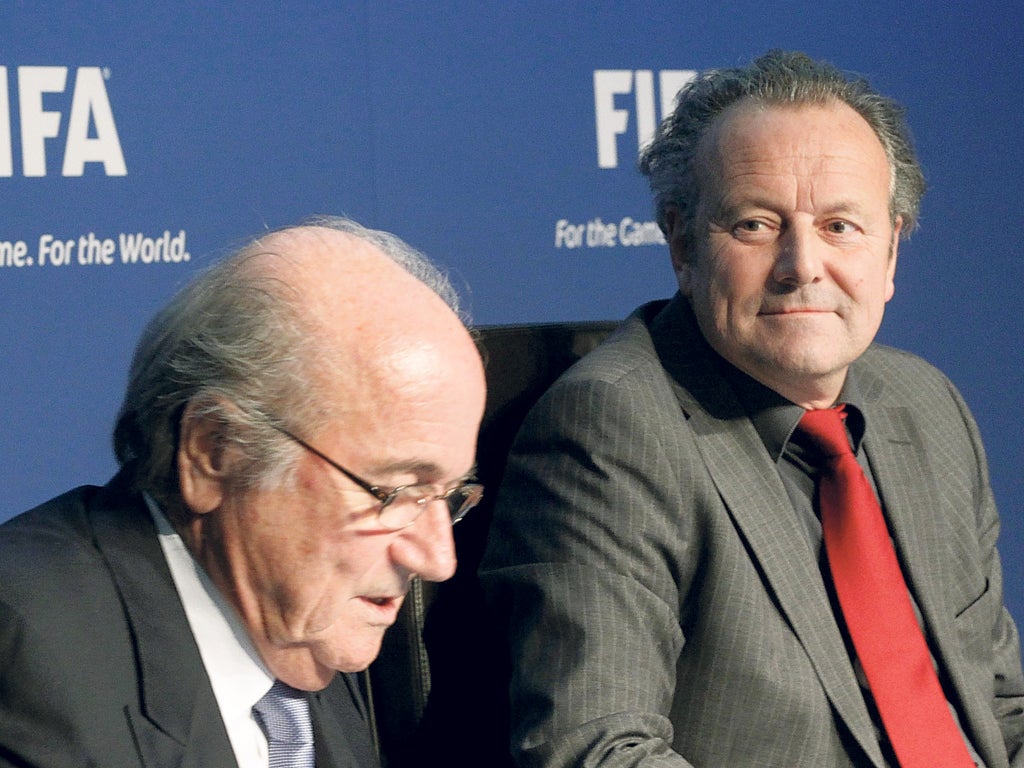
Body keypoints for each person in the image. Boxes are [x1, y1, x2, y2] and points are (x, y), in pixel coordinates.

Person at [480, 50, 1024, 767]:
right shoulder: (611, 430)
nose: (803, 264)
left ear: (891, 252)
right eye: (756, 225)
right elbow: (600, 751)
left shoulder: (927, 405)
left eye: (840, 226)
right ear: (681, 244)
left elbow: (1000, 708)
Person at [0, 216, 487, 767]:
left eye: (449, 493)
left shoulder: (302, 620)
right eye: (397, 491)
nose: (438, 559)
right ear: (215, 451)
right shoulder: (25, 658)